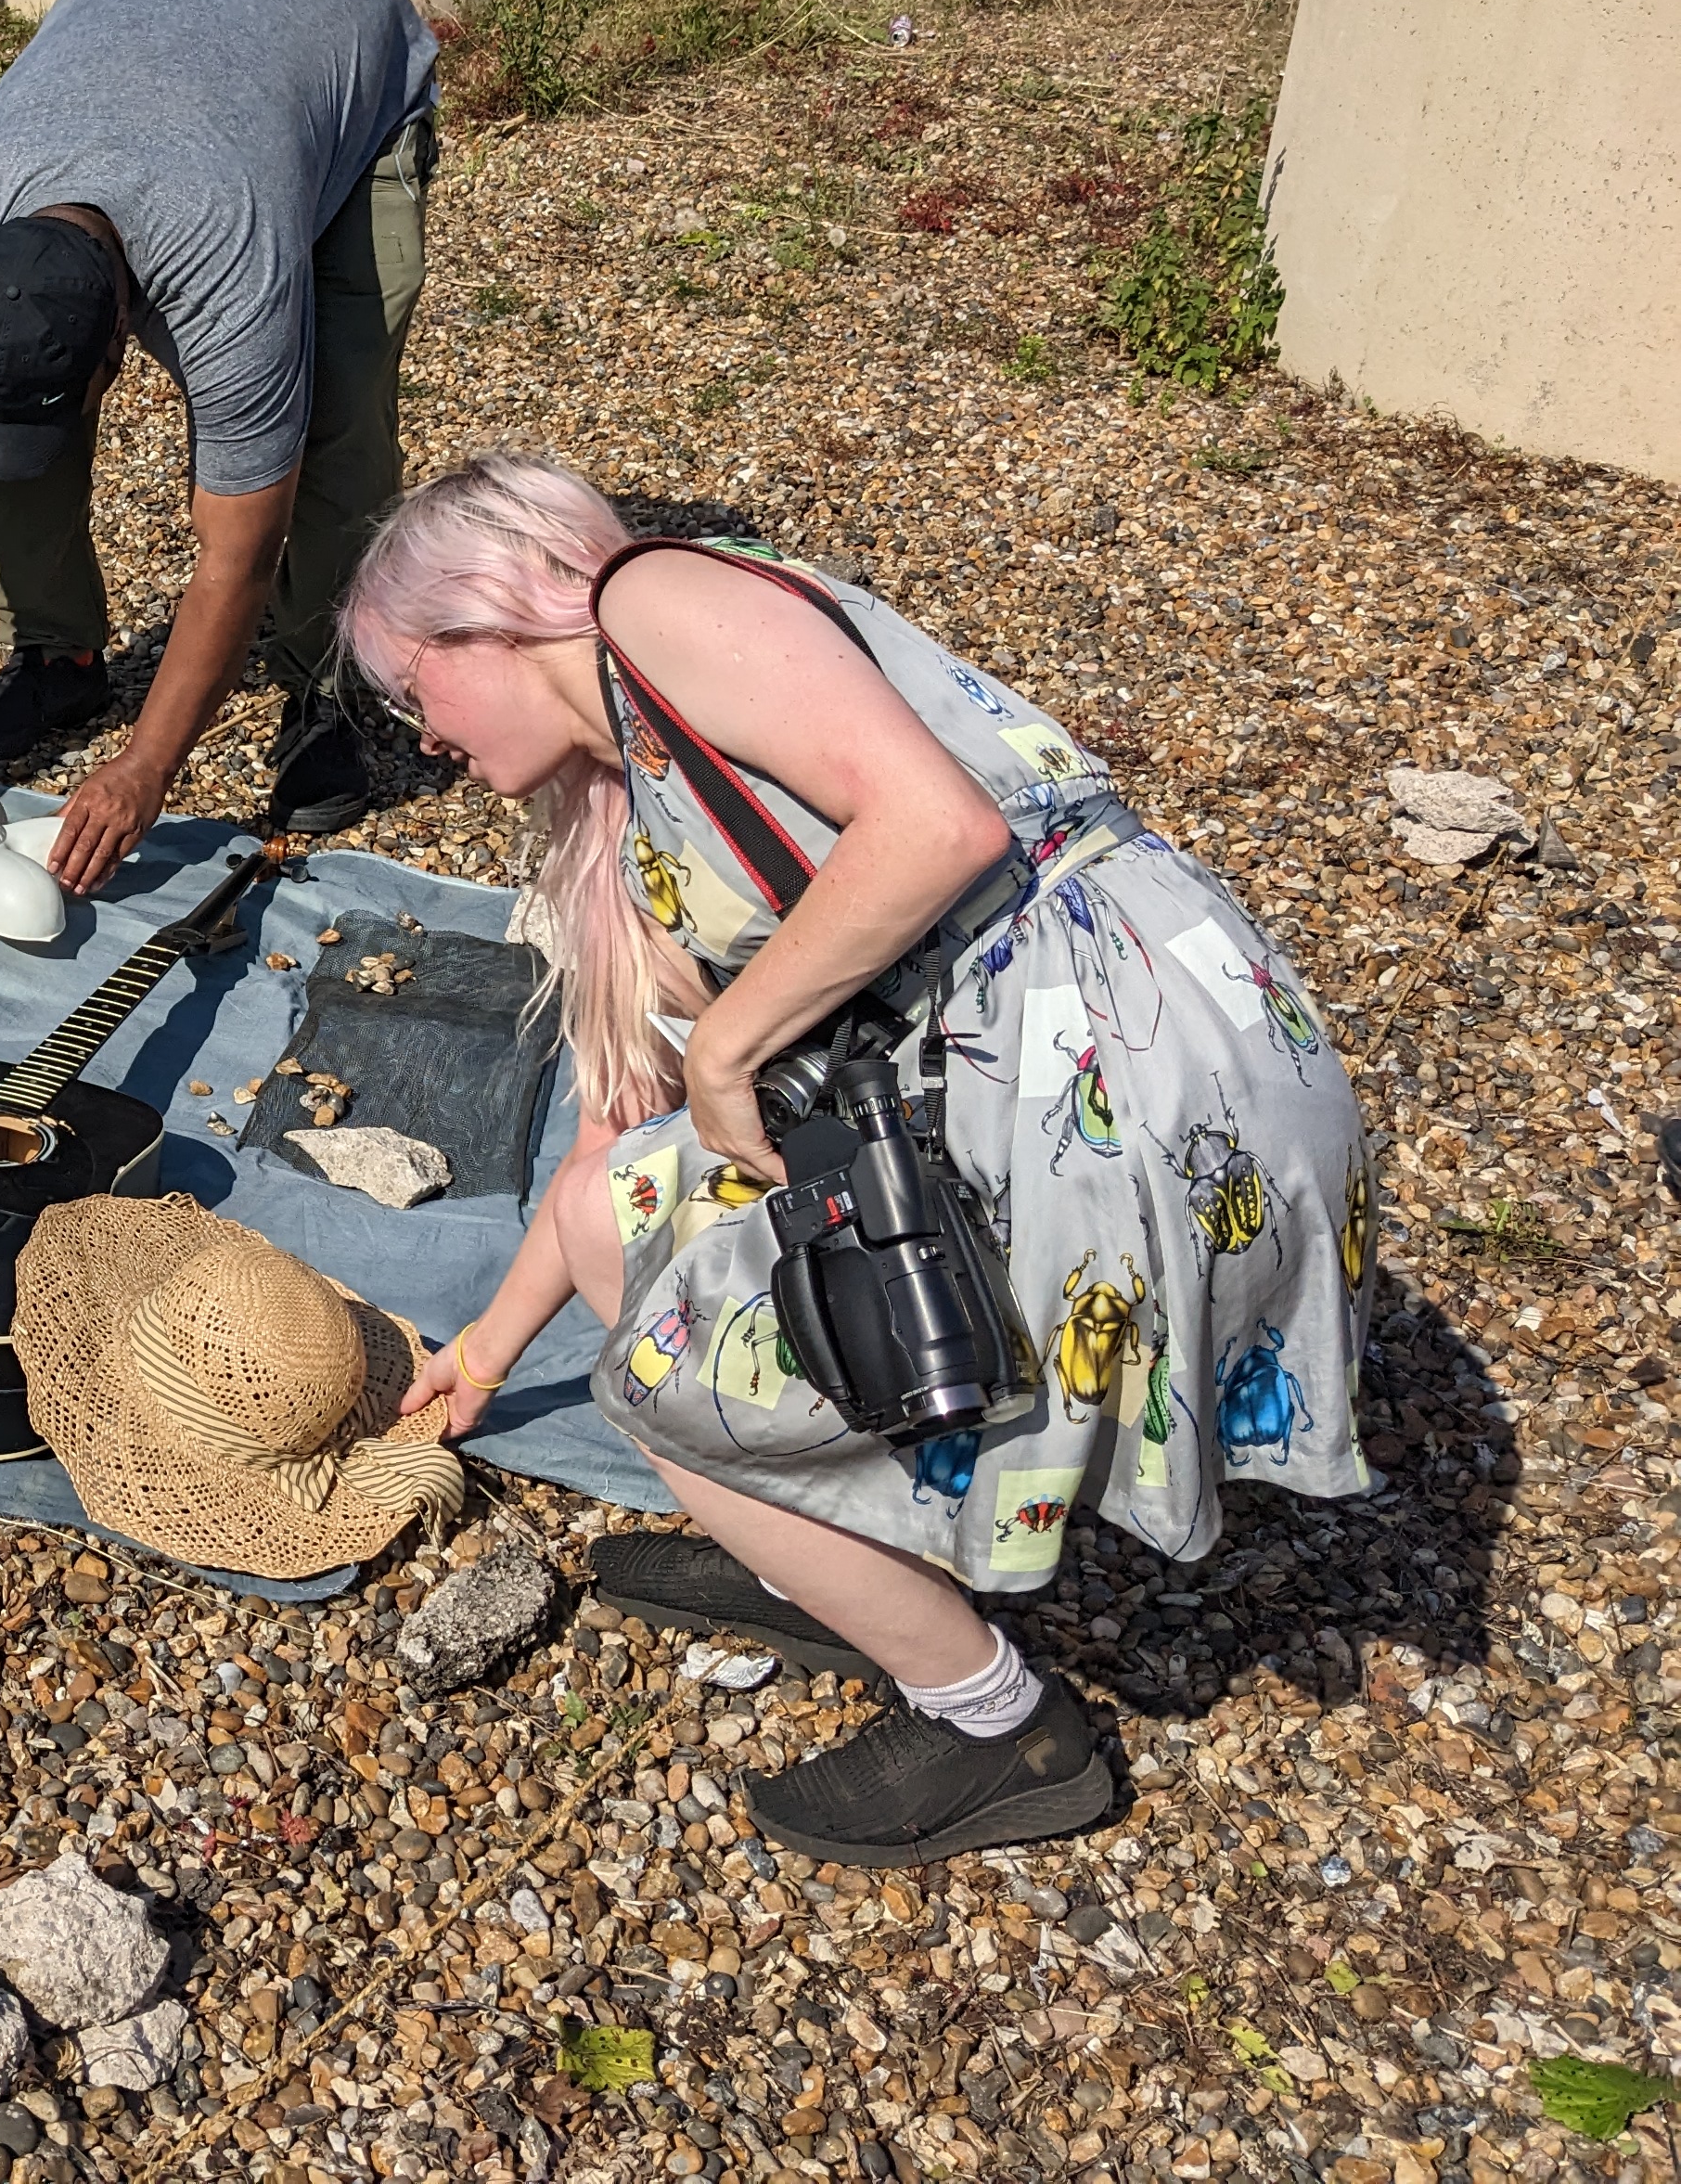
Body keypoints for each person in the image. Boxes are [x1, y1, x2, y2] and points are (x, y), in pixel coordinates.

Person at [345, 458, 1373, 1866]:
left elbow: (935, 827)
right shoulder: (637, 794)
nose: (422, 740)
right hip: (1082, 1067)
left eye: (416, 692)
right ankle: (823, 1541)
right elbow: (612, 1125)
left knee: (663, 1377)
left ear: (487, 617)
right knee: (610, 1207)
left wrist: (727, 1053)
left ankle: (995, 1724)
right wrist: (483, 1346)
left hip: (1129, 1077)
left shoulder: (648, 598)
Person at [0, 0, 438, 892]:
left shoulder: (225, 272)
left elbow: (237, 550)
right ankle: (60, 657)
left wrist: (146, 770)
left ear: (123, 342)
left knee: (336, 421)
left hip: (343, 52)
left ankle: (326, 689)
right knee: (10, 438)